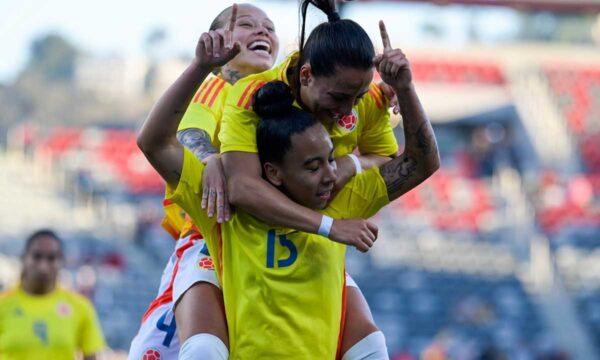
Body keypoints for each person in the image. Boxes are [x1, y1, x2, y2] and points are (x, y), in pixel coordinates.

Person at [136, 7, 439, 360]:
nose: (346, 113)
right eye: (246, 24)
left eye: (269, 27)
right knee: (203, 348)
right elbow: (224, 176)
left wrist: (398, 97)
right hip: (212, 233)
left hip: (312, 225)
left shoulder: (344, 181)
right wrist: (212, 159)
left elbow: (411, 162)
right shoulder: (244, 95)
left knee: (372, 347)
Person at [0, 230, 106, 360]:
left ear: (61, 261)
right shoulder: (3, 305)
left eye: (51, 258)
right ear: (24, 258)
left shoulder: (80, 307)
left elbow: (91, 356)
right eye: (37, 256)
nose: (43, 266)